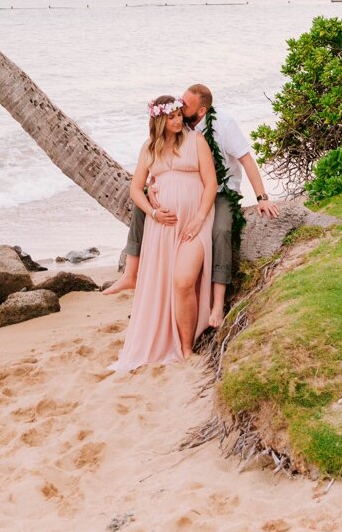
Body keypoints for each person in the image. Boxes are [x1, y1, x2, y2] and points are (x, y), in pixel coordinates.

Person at [102, 81, 282, 336]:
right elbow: (166, 156)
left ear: (201, 111)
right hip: (191, 192)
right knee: (142, 203)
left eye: (185, 105)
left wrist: (262, 197)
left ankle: (218, 303)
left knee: (220, 231)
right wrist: (153, 185)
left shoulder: (223, 125)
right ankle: (132, 273)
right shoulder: (181, 124)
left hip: (221, 191)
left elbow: (246, 160)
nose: (180, 106)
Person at [111, 95, 214, 372]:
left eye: (180, 115)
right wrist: (153, 212)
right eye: (172, 117)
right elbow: (136, 189)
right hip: (162, 227)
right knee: (166, 283)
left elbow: (211, 183)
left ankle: (186, 348)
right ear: (159, 120)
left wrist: (200, 218)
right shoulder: (149, 149)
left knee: (182, 282)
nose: (179, 120)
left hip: (195, 223)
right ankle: (177, 345)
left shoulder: (196, 142)